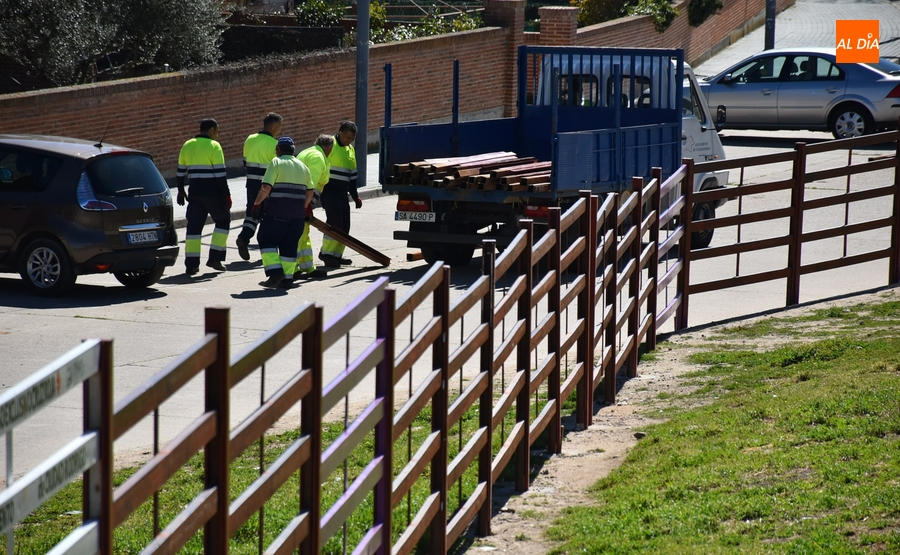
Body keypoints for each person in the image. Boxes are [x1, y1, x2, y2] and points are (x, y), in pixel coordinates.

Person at [251, 136, 313, 289]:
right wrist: (302, 206)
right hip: (297, 216)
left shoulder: (276, 162)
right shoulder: (303, 166)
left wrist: (257, 204)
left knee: (265, 239)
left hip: (277, 212)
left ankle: (275, 272)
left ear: (278, 150)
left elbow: (266, 187)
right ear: (293, 150)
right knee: (289, 246)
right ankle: (287, 279)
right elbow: (310, 191)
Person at [176, 118, 231, 276]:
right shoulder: (214, 146)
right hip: (213, 193)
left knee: (193, 228)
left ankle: (191, 265)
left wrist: (181, 190)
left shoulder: (187, 144)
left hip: (194, 192)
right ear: (212, 130)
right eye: (217, 131)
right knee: (223, 221)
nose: (217, 135)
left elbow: (180, 171)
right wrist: (226, 196)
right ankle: (214, 258)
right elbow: (220, 175)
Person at [236, 112, 282, 261]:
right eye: (278, 128)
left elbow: (245, 161)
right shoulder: (275, 144)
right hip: (267, 185)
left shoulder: (249, 139)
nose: (279, 131)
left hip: (251, 183)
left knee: (252, 211)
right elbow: (277, 167)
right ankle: (269, 248)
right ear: (273, 126)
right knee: (269, 215)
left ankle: (244, 236)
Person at [319, 121, 362, 267]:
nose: (349, 141)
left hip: (342, 193)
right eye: (348, 137)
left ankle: (337, 255)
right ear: (340, 132)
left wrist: (355, 196)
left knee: (345, 225)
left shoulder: (350, 150)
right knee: (334, 221)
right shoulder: (330, 145)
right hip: (329, 190)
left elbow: (353, 176)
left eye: (352, 139)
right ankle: (326, 253)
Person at [295, 134, 334, 277]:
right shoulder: (317, 157)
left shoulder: (307, 152)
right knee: (298, 235)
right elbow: (311, 183)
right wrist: (308, 204)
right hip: (303, 201)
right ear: (329, 148)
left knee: (303, 234)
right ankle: (292, 269)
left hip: (298, 199)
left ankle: (307, 266)